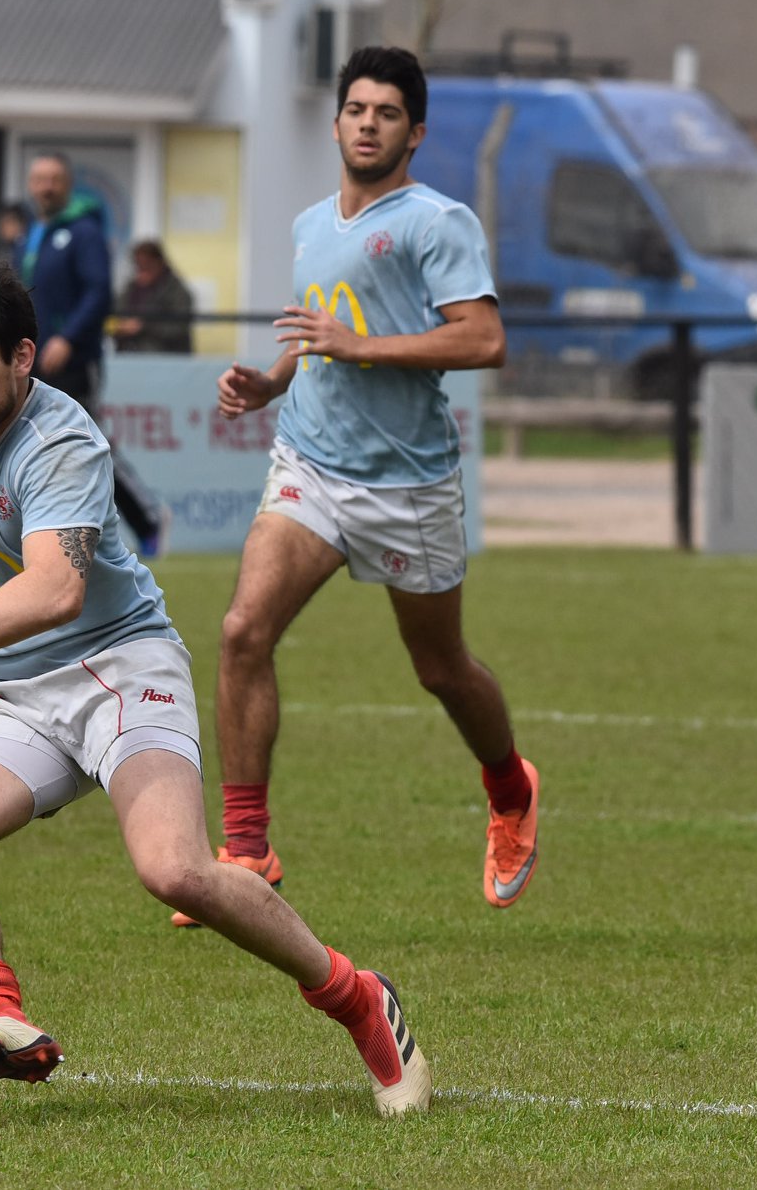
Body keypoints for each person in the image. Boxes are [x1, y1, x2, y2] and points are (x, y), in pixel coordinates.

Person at [0, 255, 430, 1118]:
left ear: (23, 358)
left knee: (174, 871)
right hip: (17, 692)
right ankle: (1, 1020)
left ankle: (359, 999)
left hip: (121, 668)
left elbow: (54, 589)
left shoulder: (64, 439)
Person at [190, 45, 538, 930]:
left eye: (387, 112)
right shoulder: (313, 224)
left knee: (440, 669)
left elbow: (483, 341)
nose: (368, 123)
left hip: (407, 485)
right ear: (337, 120)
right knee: (241, 632)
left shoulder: (437, 221)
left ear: (414, 133)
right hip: (310, 463)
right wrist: (273, 381)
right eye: (356, 109)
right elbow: (324, 327)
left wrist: (361, 349)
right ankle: (246, 848)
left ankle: (509, 787)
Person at [15, 152, 166, 555]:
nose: (46, 186)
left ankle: (147, 518)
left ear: (67, 185)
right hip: (30, 360)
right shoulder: (31, 233)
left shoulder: (83, 232)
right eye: (39, 179)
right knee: (30, 444)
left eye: (54, 179)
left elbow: (98, 292)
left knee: (87, 443)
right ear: (30, 185)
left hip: (74, 360)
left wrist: (67, 337)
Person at [107, 239, 194, 354]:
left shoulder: (177, 291)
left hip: (167, 359)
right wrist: (118, 327)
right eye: (138, 265)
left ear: (160, 263)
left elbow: (179, 328)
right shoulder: (130, 288)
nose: (142, 270)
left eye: (147, 265)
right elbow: (111, 318)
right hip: (128, 357)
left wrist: (143, 327)